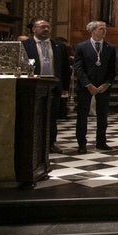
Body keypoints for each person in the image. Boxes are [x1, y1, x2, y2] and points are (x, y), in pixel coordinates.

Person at [22, 19, 71, 154]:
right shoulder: (25, 45)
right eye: (42, 27)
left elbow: (65, 68)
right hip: (32, 86)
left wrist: (65, 87)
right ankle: (32, 144)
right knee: (32, 116)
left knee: (52, 116)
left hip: (53, 86)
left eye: (48, 27)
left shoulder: (58, 46)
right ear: (34, 29)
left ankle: (50, 143)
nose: (46, 30)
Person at [73, 21, 116, 154]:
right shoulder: (81, 46)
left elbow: (112, 68)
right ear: (92, 30)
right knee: (82, 116)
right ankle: (81, 144)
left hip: (103, 86)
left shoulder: (110, 47)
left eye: (105, 29)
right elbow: (78, 68)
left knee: (102, 116)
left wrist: (107, 83)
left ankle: (101, 142)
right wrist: (88, 84)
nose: (104, 31)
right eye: (100, 29)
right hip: (86, 86)